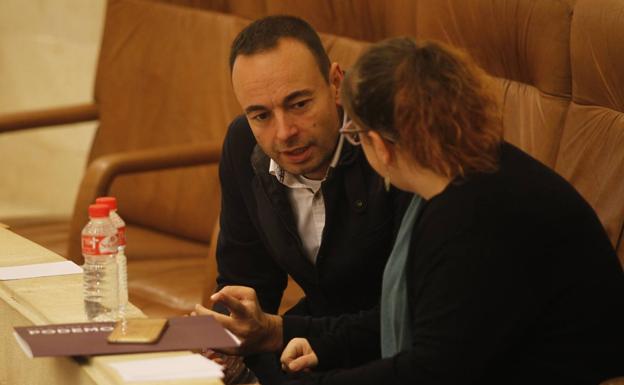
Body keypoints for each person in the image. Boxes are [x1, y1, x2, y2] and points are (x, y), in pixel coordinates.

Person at [200, 38, 624, 384]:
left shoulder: (475, 215)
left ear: (381, 145)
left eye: (357, 134)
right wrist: (306, 340)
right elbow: (419, 321)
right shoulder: (461, 179)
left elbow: (432, 368)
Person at [195, 15, 409, 383]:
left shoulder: (390, 146)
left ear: (336, 84)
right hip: (309, 346)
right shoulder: (243, 144)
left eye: (298, 104)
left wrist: (280, 332)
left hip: (394, 350)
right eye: (260, 114)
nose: (284, 133)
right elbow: (245, 281)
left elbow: (409, 312)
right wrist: (230, 336)